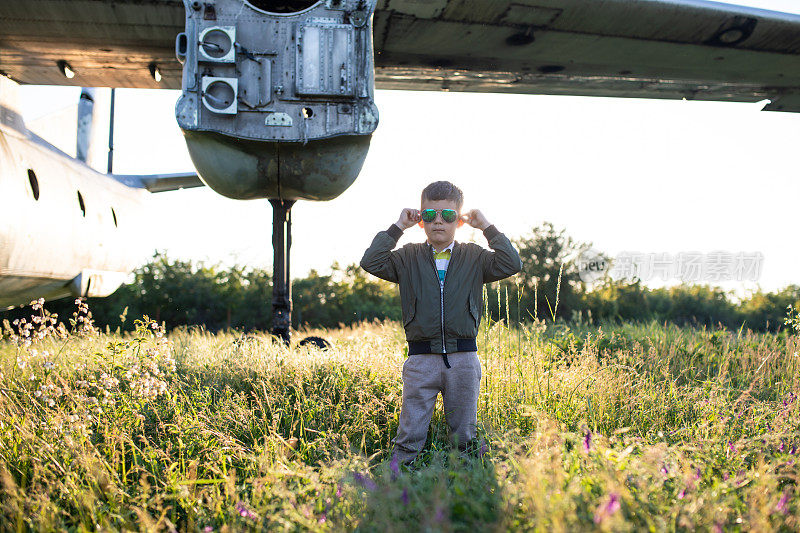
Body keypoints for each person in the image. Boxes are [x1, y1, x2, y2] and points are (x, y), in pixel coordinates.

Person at [360, 180, 522, 464]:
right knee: (409, 436)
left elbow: (512, 263)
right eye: (429, 214)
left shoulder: (475, 257)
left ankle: (471, 486)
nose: (438, 221)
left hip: (463, 359)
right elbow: (371, 262)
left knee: (466, 437)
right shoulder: (406, 257)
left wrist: (486, 227)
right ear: (420, 220)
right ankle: (399, 487)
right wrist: (398, 226)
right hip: (421, 360)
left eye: (447, 215)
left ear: (458, 221)